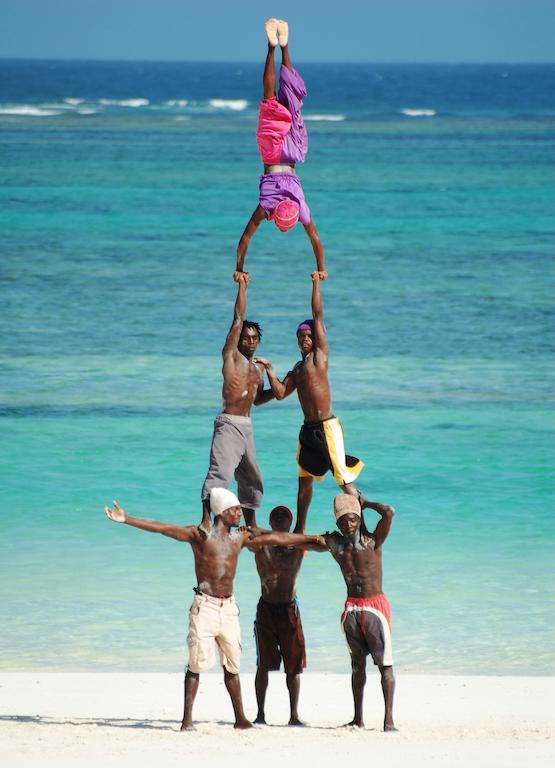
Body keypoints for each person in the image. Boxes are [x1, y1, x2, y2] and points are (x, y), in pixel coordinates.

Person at [104, 488, 322, 731]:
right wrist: (127, 519)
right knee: (196, 664)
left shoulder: (239, 538)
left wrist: (315, 540)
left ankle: (241, 719)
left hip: (228, 607)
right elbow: (163, 528)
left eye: (240, 508)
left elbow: (279, 539)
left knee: (232, 665)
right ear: (221, 512)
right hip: (204, 605)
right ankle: (187, 721)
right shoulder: (200, 536)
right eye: (235, 509)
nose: (240, 513)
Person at [254, 272, 370, 530]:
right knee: (303, 479)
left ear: (316, 339)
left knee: (343, 481)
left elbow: (317, 315)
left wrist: (316, 283)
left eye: (308, 336)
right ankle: (300, 529)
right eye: (301, 337)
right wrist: (269, 370)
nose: (305, 339)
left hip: (327, 428)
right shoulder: (296, 369)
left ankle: (364, 529)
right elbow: (281, 393)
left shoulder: (320, 357)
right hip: (308, 431)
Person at [234, 19, 327, 283]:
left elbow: (316, 240)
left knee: (291, 100)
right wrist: (239, 268)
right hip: (273, 154)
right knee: (269, 98)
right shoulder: (266, 206)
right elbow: (245, 239)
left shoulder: (300, 207)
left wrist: (321, 266)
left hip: (293, 152)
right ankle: (271, 47)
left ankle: (284, 46)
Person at [311, 494, 397, 731]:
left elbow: (389, 511)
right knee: (357, 665)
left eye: (351, 520)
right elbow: (304, 540)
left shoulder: (374, 541)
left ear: (358, 519)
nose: (347, 525)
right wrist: (269, 537)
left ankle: (388, 721)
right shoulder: (336, 544)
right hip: (351, 608)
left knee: (385, 666)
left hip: (375, 607)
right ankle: (358, 718)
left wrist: (365, 503)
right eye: (342, 522)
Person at [200, 273, 273, 530]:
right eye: (246, 337)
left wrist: (278, 380)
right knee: (220, 474)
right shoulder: (231, 357)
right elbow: (238, 318)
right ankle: (206, 520)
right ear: (238, 340)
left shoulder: (257, 369)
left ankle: (251, 525)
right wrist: (243, 286)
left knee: (252, 479)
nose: (250, 341)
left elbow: (259, 400)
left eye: (254, 338)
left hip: (246, 426)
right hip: (229, 423)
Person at [252, 504, 309, 726]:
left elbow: (302, 520)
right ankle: (260, 714)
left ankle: (294, 715)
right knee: (262, 665)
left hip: (288, 609)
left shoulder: (297, 544)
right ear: (270, 520)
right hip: (266, 608)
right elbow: (251, 525)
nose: (279, 516)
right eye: (275, 514)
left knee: (294, 666)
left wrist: (306, 480)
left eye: (284, 514)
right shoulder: (261, 544)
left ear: (290, 519)